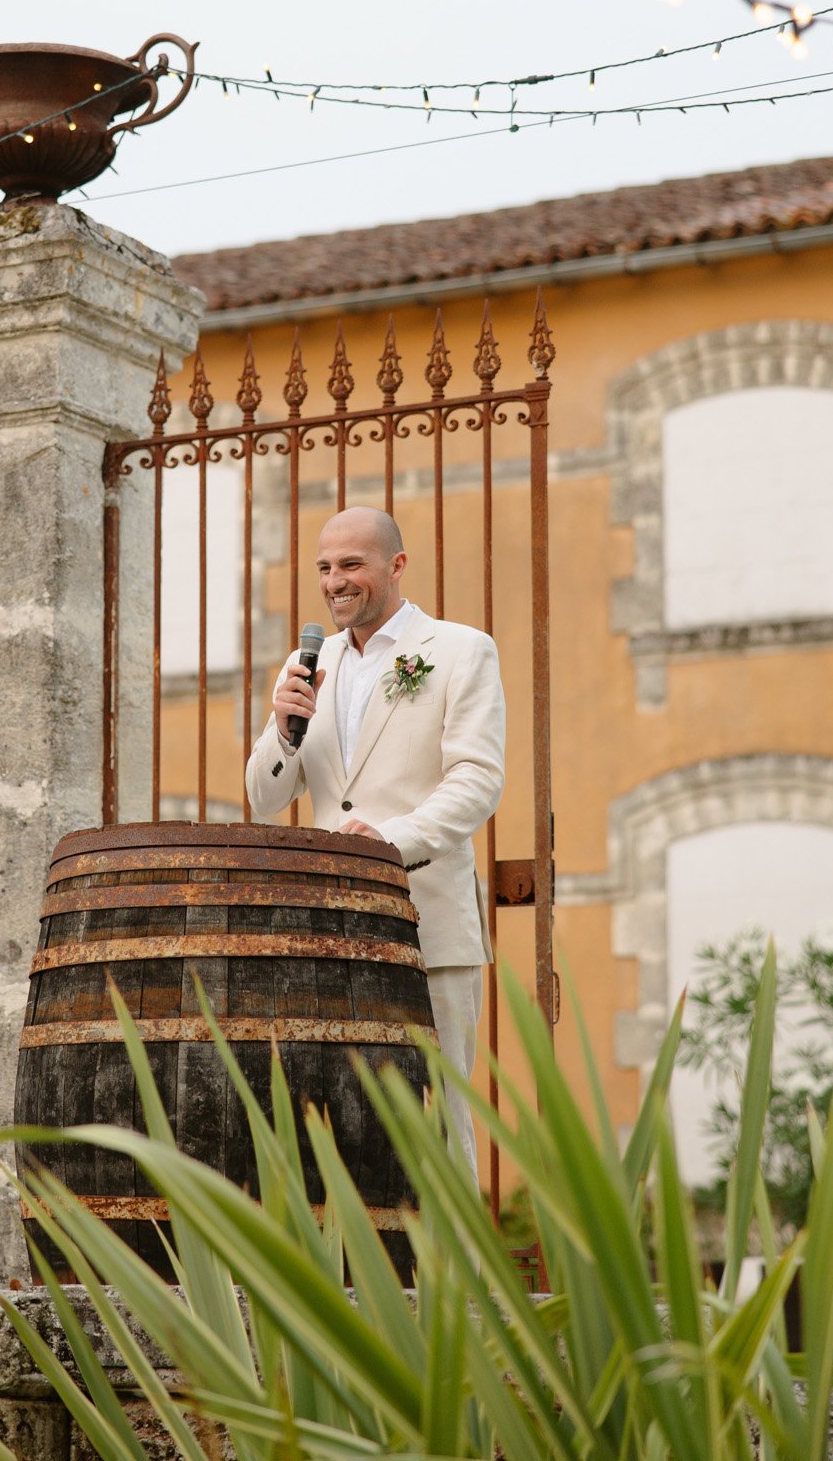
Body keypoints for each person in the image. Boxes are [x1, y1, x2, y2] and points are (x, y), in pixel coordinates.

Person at [244, 505, 505, 1183]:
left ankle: (459, 1282)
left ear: (395, 565)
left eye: (351, 564)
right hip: (330, 930)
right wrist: (281, 727)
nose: (335, 581)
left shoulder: (457, 650)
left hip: (426, 918)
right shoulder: (308, 665)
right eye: (325, 568)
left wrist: (387, 841)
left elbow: (477, 780)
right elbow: (264, 797)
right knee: (340, 1113)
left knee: (439, 1111)